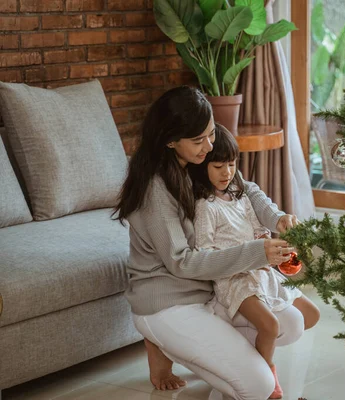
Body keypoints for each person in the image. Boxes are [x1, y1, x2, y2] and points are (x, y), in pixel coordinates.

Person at [113, 86, 315, 400]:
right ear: (170, 140)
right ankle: (164, 342)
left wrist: (276, 218)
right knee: (259, 386)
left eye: (210, 134)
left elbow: (244, 188)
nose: (209, 146)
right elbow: (181, 261)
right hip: (168, 304)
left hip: (210, 293)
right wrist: (255, 253)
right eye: (199, 140)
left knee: (292, 322)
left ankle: (207, 358)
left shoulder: (196, 160)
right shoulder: (156, 189)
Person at [189, 125, 320, 399]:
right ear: (203, 168)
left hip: (259, 272)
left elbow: (257, 228)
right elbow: (205, 252)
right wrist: (253, 252)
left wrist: (274, 248)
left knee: (312, 314)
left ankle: (248, 349)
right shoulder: (206, 207)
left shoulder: (241, 196)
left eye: (232, 165)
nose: (227, 173)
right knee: (270, 327)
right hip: (234, 279)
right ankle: (265, 375)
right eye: (218, 166)